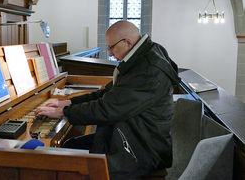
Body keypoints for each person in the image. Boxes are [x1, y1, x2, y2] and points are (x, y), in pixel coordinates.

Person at [35, 20, 180, 179]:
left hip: (141, 150)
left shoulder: (147, 70)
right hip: (130, 134)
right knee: (70, 146)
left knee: (69, 163)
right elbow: (108, 94)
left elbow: (107, 109)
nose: (110, 53)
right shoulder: (139, 58)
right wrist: (68, 103)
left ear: (127, 42)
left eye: (112, 47)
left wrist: (64, 112)